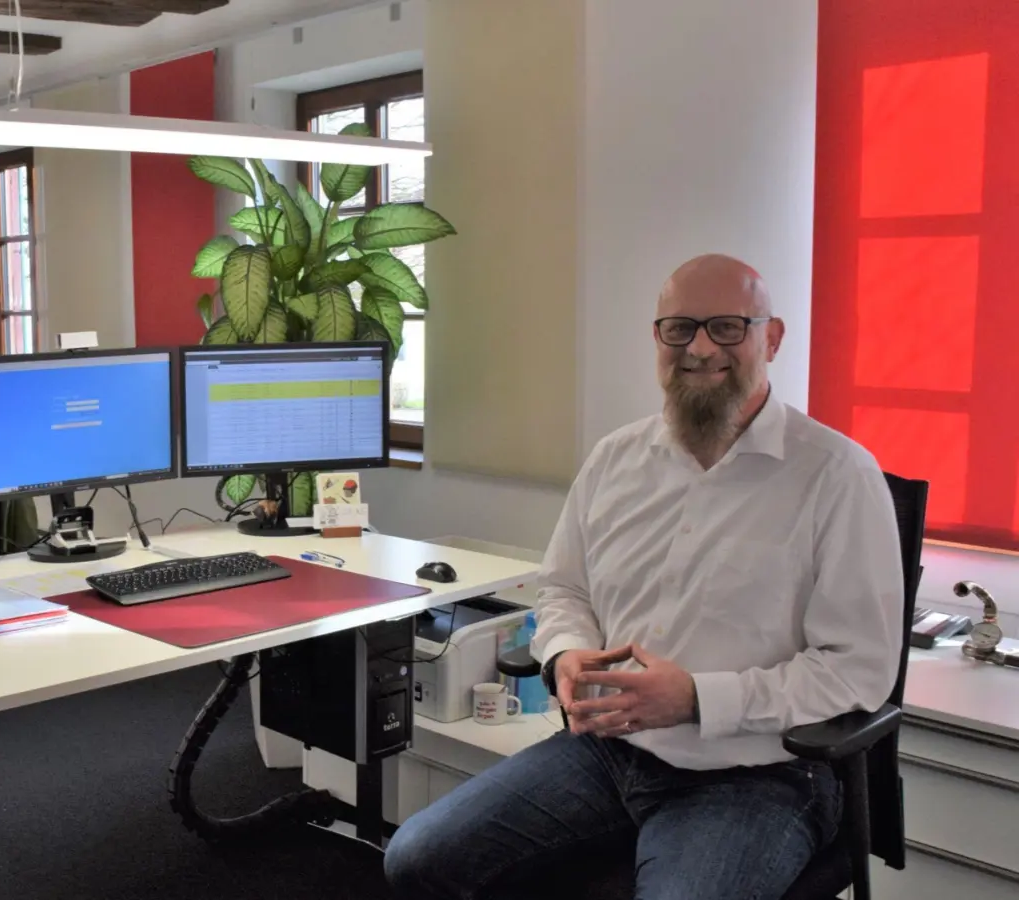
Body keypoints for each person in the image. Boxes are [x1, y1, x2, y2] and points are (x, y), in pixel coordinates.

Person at [383, 254, 903, 900]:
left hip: (756, 777)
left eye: (728, 327)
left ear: (771, 338)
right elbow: (563, 589)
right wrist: (565, 656)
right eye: (680, 329)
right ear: (657, 340)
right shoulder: (614, 461)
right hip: (608, 754)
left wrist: (697, 698)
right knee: (416, 858)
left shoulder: (838, 477)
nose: (702, 348)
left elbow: (857, 671)